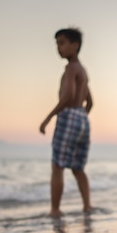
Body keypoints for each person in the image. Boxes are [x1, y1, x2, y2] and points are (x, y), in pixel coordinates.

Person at [39, 27, 93, 218]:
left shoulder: (70, 68)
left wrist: (48, 118)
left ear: (75, 45)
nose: (58, 48)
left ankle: (55, 209)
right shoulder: (83, 71)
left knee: (58, 166)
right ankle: (87, 206)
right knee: (78, 167)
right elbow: (91, 102)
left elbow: (68, 96)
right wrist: (80, 118)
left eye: (62, 43)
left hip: (69, 115)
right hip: (82, 118)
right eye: (57, 44)